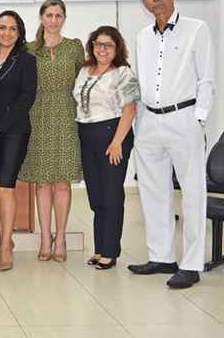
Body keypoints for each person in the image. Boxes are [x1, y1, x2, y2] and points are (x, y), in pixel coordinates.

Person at [128, 0, 216, 288]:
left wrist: (199, 119)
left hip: (184, 119)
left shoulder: (197, 28)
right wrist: (140, 121)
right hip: (150, 122)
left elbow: (206, 78)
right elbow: (139, 82)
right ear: (145, 4)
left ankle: (191, 264)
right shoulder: (142, 37)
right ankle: (162, 256)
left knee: (192, 194)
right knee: (153, 193)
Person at [18, 0, 84, 262]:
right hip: (37, 114)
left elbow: (84, 80)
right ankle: (46, 237)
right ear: (41, 18)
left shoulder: (75, 47)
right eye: (49, 15)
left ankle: (61, 237)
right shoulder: (29, 49)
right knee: (42, 181)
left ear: (64, 18)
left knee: (63, 182)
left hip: (67, 114)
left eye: (58, 15)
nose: (54, 20)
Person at [74, 26, 139, 270]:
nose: (102, 49)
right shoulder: (84, 71)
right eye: (98, 44)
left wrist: (117, 142)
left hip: (113, 134)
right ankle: (100, 248)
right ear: (92, 46)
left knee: (112, 195)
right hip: (87, 134)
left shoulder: (123, 73)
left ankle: (110, 253)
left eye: (108, 45)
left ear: (117, 48)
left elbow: (130, 109)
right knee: (96, 198)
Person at [0, 11, 37, 271]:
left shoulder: (26, 61)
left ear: (19, 32)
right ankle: (4, 242)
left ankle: (5, 247)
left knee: (5, 188)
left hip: (13, 131)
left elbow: (26, 99)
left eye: (13, 28)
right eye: (2, 27)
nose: (7, 33)